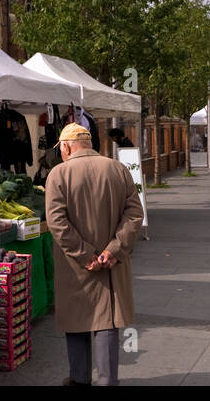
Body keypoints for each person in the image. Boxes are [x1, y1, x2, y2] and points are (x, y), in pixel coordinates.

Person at [45, 123, 143, 386]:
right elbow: (134, 214)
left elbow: (56, 222)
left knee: (76, 319)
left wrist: (84, 254)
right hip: (111, 264)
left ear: (66, 146)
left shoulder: (58, 174)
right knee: (107, 320)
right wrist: (114, 249)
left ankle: (79, 378)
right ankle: (107, 380)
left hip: (75, 265)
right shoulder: (117, 169)